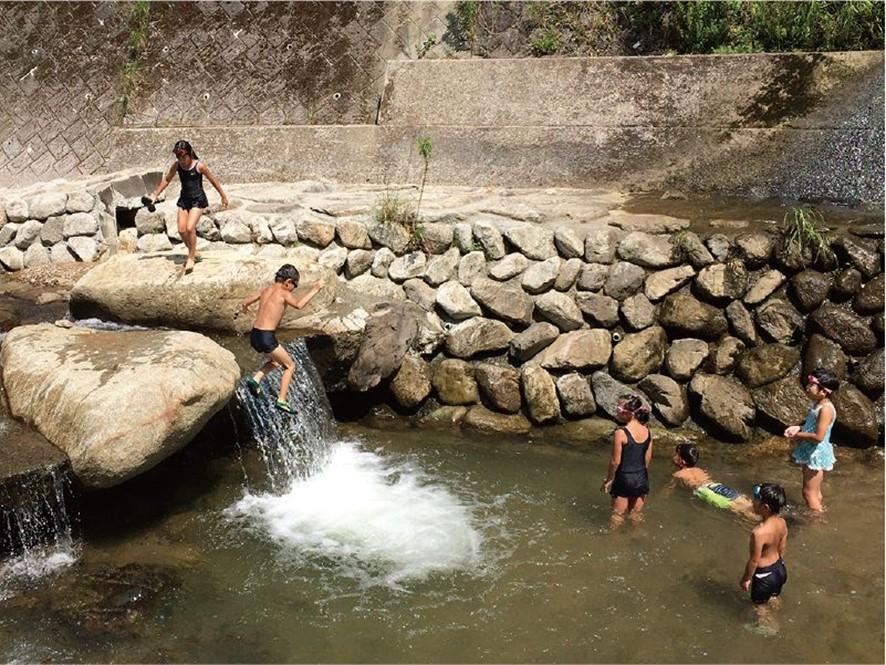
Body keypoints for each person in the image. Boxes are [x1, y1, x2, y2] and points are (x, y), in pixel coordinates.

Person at [239, 264, 324, 414]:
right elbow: (299, 305)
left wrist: (248, 311)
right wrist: (315, 289)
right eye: (294, 286)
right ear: (288, 281)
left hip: (255, 335)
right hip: (267, 336)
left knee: (275, 362)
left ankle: (256, 379)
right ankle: (282, 400)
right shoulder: (284, 293)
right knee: (289, 366)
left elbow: (245, 302)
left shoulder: (266, 290)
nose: (293, 289)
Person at [145, 140, 229, 274]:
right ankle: (194, 252)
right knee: (181, 230)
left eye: (184, 157)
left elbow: (213, 180)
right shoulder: (177, 166)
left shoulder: (199, 166)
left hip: (198, 200)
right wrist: (155, 194)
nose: (182, 160)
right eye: (179, 158)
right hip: (184, 200)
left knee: (190, 228)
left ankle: (191, 257)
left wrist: (223, 196)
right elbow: (167, 179)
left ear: (190, 154)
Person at [784, 368, 838, 514]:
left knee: (808, 493)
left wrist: (798, 435)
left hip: (816, 454)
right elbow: (812, 426)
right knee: (814, 492)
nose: (807, 387)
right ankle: (818, 512)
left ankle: (817, 523)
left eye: (811, 385)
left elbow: (819, 437)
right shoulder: (817, 404)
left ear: (824, 391)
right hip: (810, 451)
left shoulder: (826, 409)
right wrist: (798, 427)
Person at [740, 483, 788, 631]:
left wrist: (746, 579)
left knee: (759, 606)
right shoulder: (782, 522)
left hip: (764, 576)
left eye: (755, 500)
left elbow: (754, 560)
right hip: (780, 569)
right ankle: (776, 612)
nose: (752, 502)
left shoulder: (759, 533)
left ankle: (766, 627)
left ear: (765, 507)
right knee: (773, 596)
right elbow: (782, 548)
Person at [600, 394, 652, 527]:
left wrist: (609, 480)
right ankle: (638, 537)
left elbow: (615, 461)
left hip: (624, 478)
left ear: (628, 413)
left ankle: (613, 543)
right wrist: (641, 476)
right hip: (641, 477)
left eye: (618, 408)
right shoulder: (647, 431)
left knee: (617, 516)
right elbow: (647, 459)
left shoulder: (621, 433)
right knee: (635, 515)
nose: (616, 411)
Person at [671, 443, 756, 520]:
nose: (673, 455)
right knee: (742, 501)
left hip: (705, 491)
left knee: (737, 508)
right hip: (716, 486)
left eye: (676, 454)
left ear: (682, 461)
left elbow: (669, 488)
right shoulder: (699, 470)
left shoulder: (678, 474)